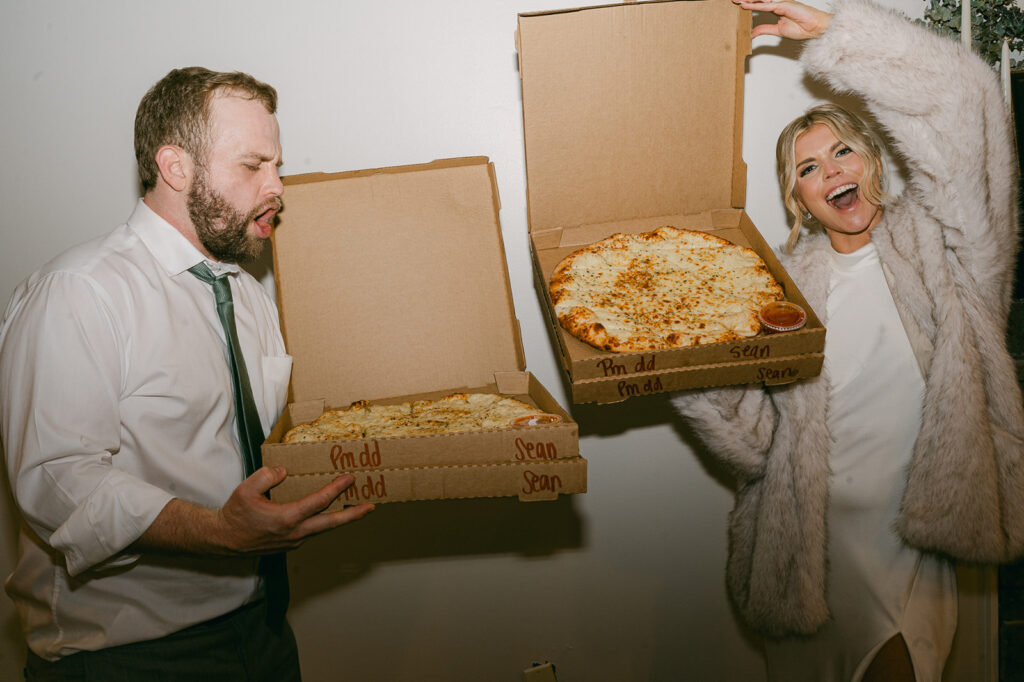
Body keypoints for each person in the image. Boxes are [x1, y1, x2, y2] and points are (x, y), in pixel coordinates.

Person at [672, 0, 1024, 680]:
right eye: (807, 168)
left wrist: (843, 35)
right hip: (809, 550)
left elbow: (968, 108)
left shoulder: (946, 258)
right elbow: (752, 447)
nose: (830, 172)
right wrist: (686, 347)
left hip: (907, 543)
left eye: (842, 151)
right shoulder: (779, 299)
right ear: (797, 199)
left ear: (874, 162)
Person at [0, 67, 374, 681]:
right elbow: (57, 482)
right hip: (126, 659)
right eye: (254, 166)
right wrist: (219, 533)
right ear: (176, 168)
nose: (278, 186)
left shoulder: (249, 296)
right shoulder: (77, 292)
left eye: (277, 166)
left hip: (263, 632)